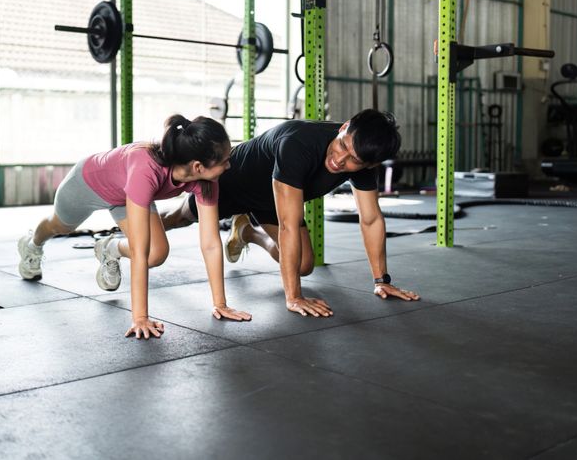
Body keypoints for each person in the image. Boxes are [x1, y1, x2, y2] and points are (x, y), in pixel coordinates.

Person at [162, 109, 420, 317]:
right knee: (180, 217)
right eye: (343, 146)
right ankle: (138, 227)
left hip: (271, 199)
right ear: (344, 127)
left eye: (354, 160)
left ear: (371, 164)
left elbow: (371, 218)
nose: (341, 160)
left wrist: (381, 280)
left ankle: (247, 231)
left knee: (304, 265)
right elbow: (288, 226)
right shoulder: (298, 142)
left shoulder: (364, 162)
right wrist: (293, 297)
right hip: (232, 181)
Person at [18, 114, 251, 339]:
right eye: (224, 161)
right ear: (199, 166)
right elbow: (139, 250)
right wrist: (140, 318)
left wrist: (221, 304)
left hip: (126, 194)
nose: (229, 166)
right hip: (87, 184)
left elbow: (210, 243)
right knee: (59, 226)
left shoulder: (207, 182)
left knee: (157, 254)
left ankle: (110, 248)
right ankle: (32, 243)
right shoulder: (146, 169)